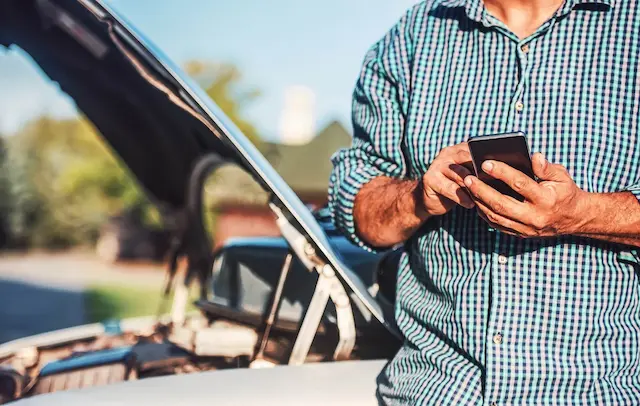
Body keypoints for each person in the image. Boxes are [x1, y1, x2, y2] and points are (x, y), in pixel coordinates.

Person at [328, 0, 640, 404]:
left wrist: (580, 215)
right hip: (435, 392)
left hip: (597, 392)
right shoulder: (414, 36)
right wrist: (419, 198)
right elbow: (361, 205)